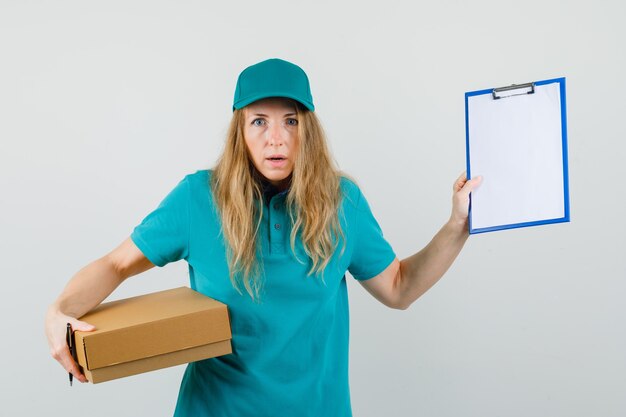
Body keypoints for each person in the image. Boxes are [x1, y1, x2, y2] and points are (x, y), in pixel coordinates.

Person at [45, 58, 482, 416]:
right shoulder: (198, 199)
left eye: (290, 120)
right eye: (259, 121)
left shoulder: (341, 202)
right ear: (241, 130)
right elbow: (116, 264)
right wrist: (59, 311)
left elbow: (399, 287)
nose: (276, 138)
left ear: (307, 129)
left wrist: (457, 226)